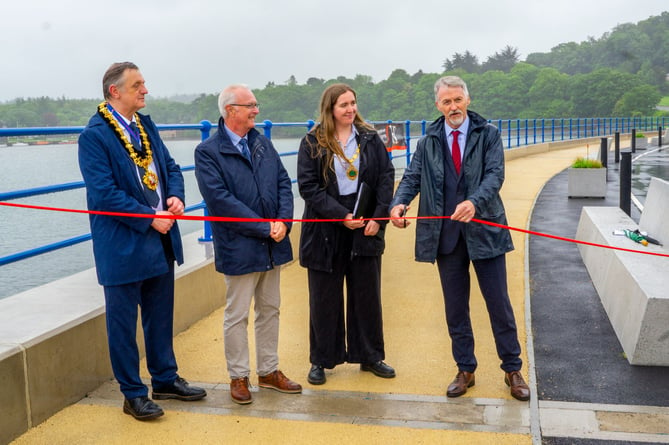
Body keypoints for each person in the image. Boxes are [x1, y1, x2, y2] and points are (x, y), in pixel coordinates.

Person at [389, 75, 530, 401]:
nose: (452, 107)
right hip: (445, 237)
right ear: (437, 105)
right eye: (446, 102)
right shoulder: (427, 142)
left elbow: (495, 175)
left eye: (457, 100)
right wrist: (398, 204)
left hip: (486, 232)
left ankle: (512, 369)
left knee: (499, 304)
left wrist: (474, 202)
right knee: (455, 308)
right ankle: (465, 368)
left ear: (467, 100)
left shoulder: (489, 135)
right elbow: (412, 178)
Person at [78, 62, 206, 421]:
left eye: (144, 84)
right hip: (122, 245)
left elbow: (171, 169)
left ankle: (165, 378)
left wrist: (175, 198)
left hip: (160, 241)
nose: (145, 90)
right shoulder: (95, 136)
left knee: (160, 315)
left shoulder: (145, 127)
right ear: (114, 92)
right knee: (122, 324)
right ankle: (132, 393)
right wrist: (149, 217)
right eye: (137, 85)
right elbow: (103, 193)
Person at [194, 84, 301, 405]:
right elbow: (220, 200)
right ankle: (238, 376)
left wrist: (283, 221)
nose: (256, 110)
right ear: (231, 111)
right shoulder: (208, 152)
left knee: (270, 309)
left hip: (272, 241)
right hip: (239, 245)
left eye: (256, 105)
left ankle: (268, 371)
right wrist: (263, 227)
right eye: (250, 105)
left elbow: (284, 182)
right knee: (237, 313)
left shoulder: (262, 144)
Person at [298, 83, 395, 385]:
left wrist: (378, 219)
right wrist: (341, 216)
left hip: (365, 224)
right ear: (330, 109)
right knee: (324, 298)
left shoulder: (369, 138)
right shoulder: (313, 142)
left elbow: (385, 177)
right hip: (327, 227)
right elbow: (308, 187)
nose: (350, 109)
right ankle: (321, 360)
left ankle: (370, 356)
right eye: (343, 105)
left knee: (366, 295)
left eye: (353, 103)